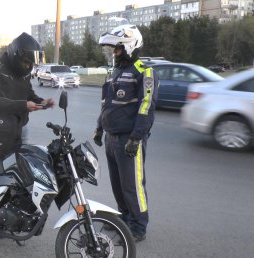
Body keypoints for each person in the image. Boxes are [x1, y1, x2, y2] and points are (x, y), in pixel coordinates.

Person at [93, 24, 159, 242]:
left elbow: (146, 107)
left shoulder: (144, 72)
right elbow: (107, 104)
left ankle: (138, 227)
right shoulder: (116, 72)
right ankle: (124, 219)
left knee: (132, 186)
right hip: (111, 138)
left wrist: (136, 137)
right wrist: (99, 128)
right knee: (118, 185)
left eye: (117, 49)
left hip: (129, 140)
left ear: (130, 46)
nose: (114, 53)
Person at [0, 32, 54, 144]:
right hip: (0, 129)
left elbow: (28, 93)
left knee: (24, 160)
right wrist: (23, 105)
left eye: (31, 64)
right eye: (26, 62)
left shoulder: (25, 72)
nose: (28, 66)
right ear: (16, 54)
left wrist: (42, 102)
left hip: (22, 128)